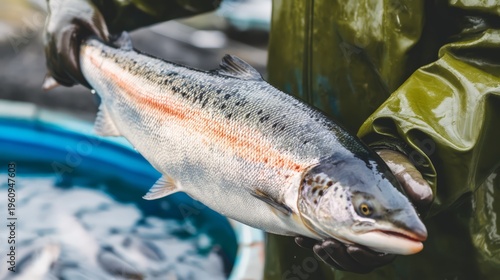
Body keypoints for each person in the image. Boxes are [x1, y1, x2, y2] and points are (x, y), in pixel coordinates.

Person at [43, 0, 500, 279]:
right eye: (362, 211)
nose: (365, 215)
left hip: (448, 233)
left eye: (363, 211)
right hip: (296, 241)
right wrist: (99, 2)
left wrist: (413, 153)